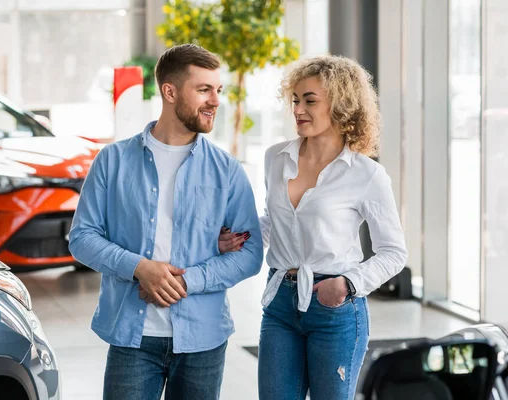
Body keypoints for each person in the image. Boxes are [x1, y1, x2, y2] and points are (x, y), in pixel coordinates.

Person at [68, 43, 263, 400]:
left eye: (218, 90)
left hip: (203, 340)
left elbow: (250, 255)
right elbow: (82, 237)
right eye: (203, 89)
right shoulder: (112, 160)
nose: (216, 100)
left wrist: (184, 282)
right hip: (132, 338)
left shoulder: (228, 170)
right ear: (169, 91)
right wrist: (140, 268)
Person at [219, 55, 408, 399]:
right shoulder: (276, 158)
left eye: (310, 100)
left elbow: (394, 253)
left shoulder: (366, 175)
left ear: (340, 105)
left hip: (335, 309)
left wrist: (348, 284)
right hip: (279, 304)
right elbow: (277, 222)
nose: (298, 109)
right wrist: (242, 236)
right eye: (295, 100)